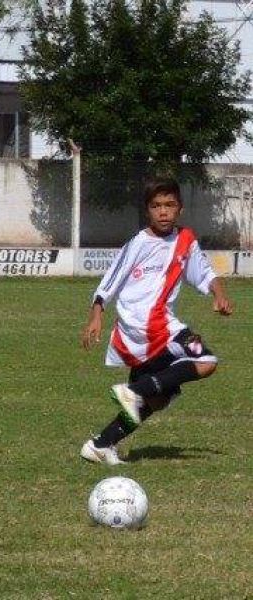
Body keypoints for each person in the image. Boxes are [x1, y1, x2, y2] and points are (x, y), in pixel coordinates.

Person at [79, 177, 233, 465]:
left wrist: (219, 295)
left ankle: (101, 444)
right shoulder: (138, 243)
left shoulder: (185, 241)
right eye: (156, 206)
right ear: (147, 210)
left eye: (169, 205)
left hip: (148, 333)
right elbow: (109, 281)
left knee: (159, 398)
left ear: (180, 209)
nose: (163, 211)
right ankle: (134, 391)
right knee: (207, 361)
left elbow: (205, 273)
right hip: (150, 327)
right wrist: (96, 315)